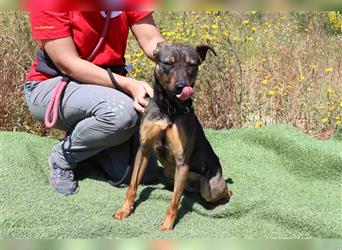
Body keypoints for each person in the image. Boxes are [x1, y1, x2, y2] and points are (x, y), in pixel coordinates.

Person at [24, 11, 165, 195]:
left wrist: (180, 58)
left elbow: (151, 40)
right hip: (51, 86)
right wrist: (129, 85)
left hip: (107, 90)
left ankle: (91, 143)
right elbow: (68, 64)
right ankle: (63, 156)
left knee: (145, 173)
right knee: (120, 113)